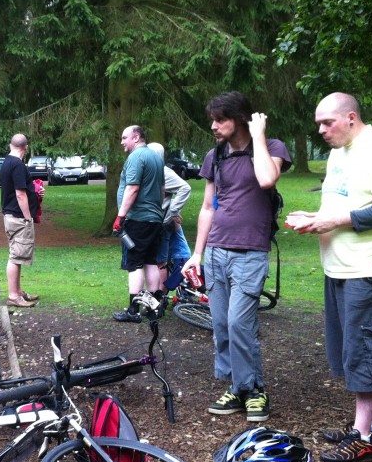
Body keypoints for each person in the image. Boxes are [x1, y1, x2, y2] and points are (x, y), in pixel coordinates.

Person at [287, 92, 372, 462]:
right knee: (352, 350)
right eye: (319, 124)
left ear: (352, 117)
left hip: (371, 269)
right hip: (340, 265)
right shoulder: (340, 152)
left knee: (368, 350)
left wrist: (334, 221)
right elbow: (345, 200)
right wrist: (316, 215)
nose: (321, 130)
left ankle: (363, 437)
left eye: (328, 123)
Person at [182, 92, 291, 422]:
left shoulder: (272, 148)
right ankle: (238, 386)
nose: (213, 126)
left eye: (221, 119)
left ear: (241, 119)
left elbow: (266, 179)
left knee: (241, 322)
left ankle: (255, 389)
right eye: (213, 119)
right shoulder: (214, 156)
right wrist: (196, 254)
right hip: (216, 251)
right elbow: (206, 207)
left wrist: (257, 135)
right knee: (222, 325)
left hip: (250, 252)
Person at [112, 125, 165, 323]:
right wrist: (158, 212)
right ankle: (152, 309)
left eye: (124, 137)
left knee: (134, 263)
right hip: (154, 219)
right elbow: (162, 189)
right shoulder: (156, 158)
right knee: (151, 262)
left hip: (138, 219)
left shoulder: (136, 157)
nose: (122, 142)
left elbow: (132, 188)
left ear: (136, 137)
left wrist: (120, 217)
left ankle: (133, 311)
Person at [147, 142, 193, 296]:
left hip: (162, 224)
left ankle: (160, 296)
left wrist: (172, 211)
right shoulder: (151, 171)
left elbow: (185, 188)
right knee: (160, 260)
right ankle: (161, 295)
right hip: (154, 222)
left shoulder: (163, 172)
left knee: (160, 261)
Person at [0, 134, 41, 308]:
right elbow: (19, 193)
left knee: (17, 254)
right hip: (17, 217)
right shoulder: (17, 165)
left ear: (11, 145)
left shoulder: (7, 162)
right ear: (26, 148)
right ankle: (13, 296)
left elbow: (24, 190)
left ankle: (18, 291)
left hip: (11, 215)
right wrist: (27, 217)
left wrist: (37, 193)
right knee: (15, 256)